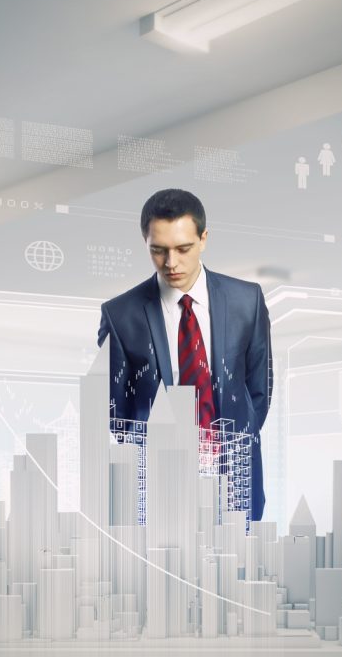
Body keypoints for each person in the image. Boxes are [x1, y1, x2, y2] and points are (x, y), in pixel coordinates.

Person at [97, 189, 273, 521]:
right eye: (158, 251)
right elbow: (115, 408)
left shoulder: (246, 300)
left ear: (203, 239)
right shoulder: (120, 314)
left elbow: (259, 390)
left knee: (235, 568)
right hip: (159, 483)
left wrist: (229, 446)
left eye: (183, 249)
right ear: (145, 244)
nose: (171, 263)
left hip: (233, 478)